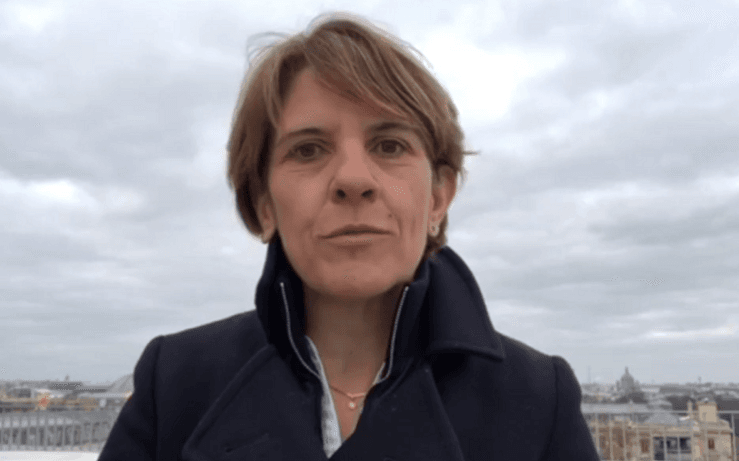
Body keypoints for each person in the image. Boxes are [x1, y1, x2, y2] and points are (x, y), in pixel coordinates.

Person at [98, 12, 600, 461]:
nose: (353, 179)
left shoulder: (538, 398)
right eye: (308, 150)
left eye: (389, 145)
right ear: (265, 205)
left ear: (438, 198)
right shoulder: (176, 384)